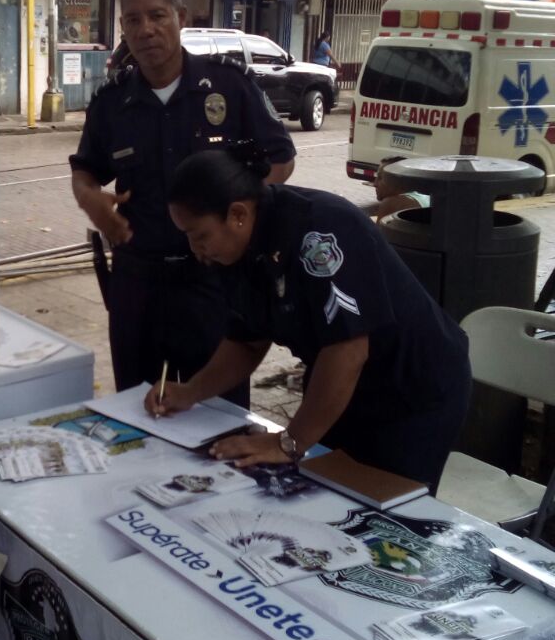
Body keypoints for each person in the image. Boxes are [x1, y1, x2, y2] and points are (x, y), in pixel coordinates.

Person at [145, 144, 471, 490]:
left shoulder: (320, 233)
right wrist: (192, 391)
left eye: (200, 236)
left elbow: (347, 351)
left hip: (412, 389)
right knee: (327, 491)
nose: (195, 249)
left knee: (384, 506)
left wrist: (290, 442)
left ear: (237, 215)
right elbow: (247, 341)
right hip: (344, 388)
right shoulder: (236, 249)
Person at [70, 0, 296, 396]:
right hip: (138, 284)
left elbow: (281, 159)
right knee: (137, 405)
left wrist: (236, 217)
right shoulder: (112, 102)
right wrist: (89, 199)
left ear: (181, 17)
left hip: (213, 281)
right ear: (122, 28)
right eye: (133, 20)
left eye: (157, 16)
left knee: (218, 411)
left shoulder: (228, 86)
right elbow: (85, 170)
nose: (146, 29)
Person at [368, 156, 430, 222]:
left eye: (380, 178)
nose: (375, 184)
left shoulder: (393, 202)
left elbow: (377, 229)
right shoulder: (425, 198)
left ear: (399, 180)